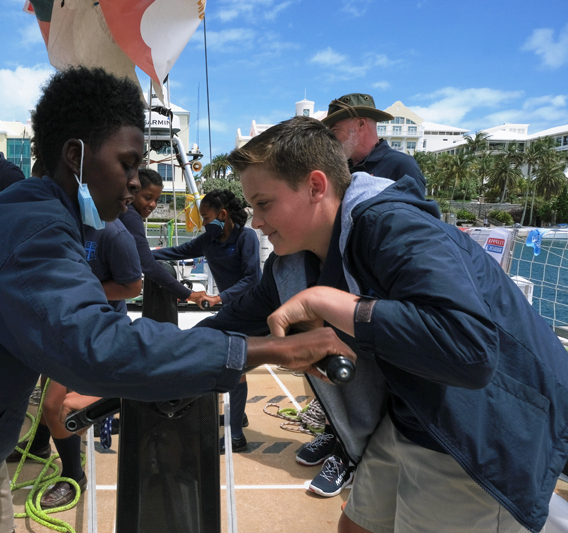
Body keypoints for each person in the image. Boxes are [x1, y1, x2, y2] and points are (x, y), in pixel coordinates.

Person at [0, 67, 355, 533]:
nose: (133, 183)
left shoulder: (42, 213)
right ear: (75, 156)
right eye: (126, 163)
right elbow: (97, 348)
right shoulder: (35, 230)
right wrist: (269, 350)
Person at [199, 115, 567, 533]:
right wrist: (161, 356)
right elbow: (232, 320)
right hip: (411, 412)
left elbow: (471, 349)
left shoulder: (393, 226)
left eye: (264, 204)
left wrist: (334, 304)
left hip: (480, 427)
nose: (256, 222)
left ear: (316, 186)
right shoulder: (290, 266)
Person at [299, 92, 428, 497]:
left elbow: (415, 235)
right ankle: (336, 434)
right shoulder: (341, 170)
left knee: (375, 383)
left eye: (336, 128)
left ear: (361, 125)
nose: (332, 137)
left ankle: (352, 456)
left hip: (377, 300)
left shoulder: (399, 166)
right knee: (336, 371)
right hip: (338, 291)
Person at [39, 218, 142, 509]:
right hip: (62, 323)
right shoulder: (58, 222)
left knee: (55, 405)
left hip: (94, 329)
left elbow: (132, 286)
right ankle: (38, 443)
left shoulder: (114, 234)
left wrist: (82, 290)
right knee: (46, 391)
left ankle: (74, 475)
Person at [152, 189, 261, 453]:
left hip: (253, 312)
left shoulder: (246, 237)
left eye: (206, 217)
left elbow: (252, 278)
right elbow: (176, 252)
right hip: (231, 312)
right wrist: (140, 254)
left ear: (222, 214)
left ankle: (236, 436)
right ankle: (238, 418)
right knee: (200, 342)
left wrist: (218, 298)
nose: (203, 222)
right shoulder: (209, 240)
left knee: (233, 364)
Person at [118, 168, 205, 304]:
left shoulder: (121, 212)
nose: (153, 204)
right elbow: (147, 263)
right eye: (147, 198)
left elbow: (143, 256)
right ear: (132, 192)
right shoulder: (131, 217)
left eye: (156, 200)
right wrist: (188, 294)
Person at [322, 93, 426, 195]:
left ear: (361, 124)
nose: (330, 138)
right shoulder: (338, 167)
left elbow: (415, 206)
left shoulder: (401, 165)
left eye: (335, 130)